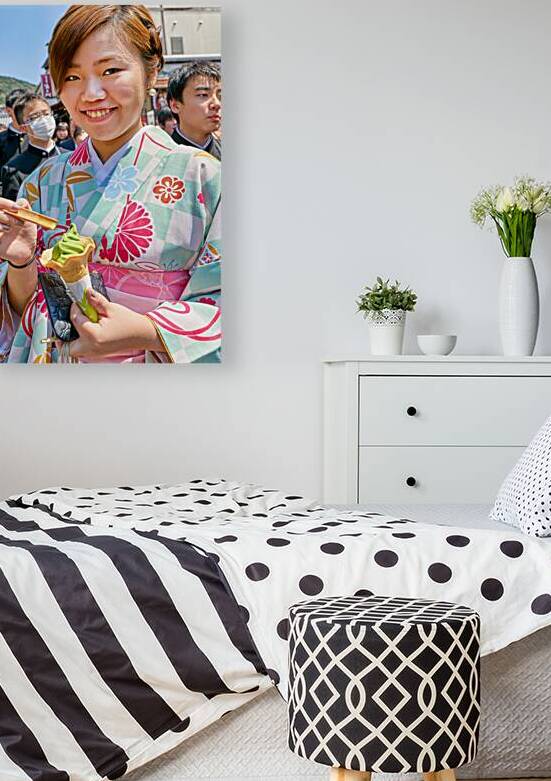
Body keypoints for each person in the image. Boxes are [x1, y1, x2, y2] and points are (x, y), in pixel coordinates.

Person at [0, 4, 220, 364]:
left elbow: (234, 303)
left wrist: (145, 331)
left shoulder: (204, 176)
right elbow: (24, 309)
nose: (90, 93)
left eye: (110, 70)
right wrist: (22, 263)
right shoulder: (41, 183)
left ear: (151, 72)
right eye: (71, 77)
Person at [0, 93, 59, 202]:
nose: (44, 120)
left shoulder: (72, 156)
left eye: (46, 114)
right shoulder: (13, 170)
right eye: (34, 117)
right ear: (23, 128)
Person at [167, 61, 221, 160]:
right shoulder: (160, 159)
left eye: (220, 96)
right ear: (175, 106)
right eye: (203, 95)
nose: (217, 104)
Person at [0, 88, 27, 167]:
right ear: (8, 111)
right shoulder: (1, 139)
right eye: (20, 107)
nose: (25, 111)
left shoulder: (39, 135)